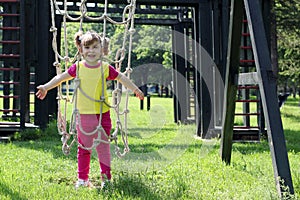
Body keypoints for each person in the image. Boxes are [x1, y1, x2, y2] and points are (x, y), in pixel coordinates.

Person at [36, 30, 144, 189]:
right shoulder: (77, 68)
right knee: (84, 148)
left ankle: (106, 180)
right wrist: (46, 86)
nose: (91, 51)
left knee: (103, 148)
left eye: (95, 47)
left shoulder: (105, 68)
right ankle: (82, 179)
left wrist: (135, 89)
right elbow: (61, 78)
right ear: (81, 50)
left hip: (102, 114)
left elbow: (122, 77)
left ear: (102, 49)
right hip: (83, 115)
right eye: (87, 48)